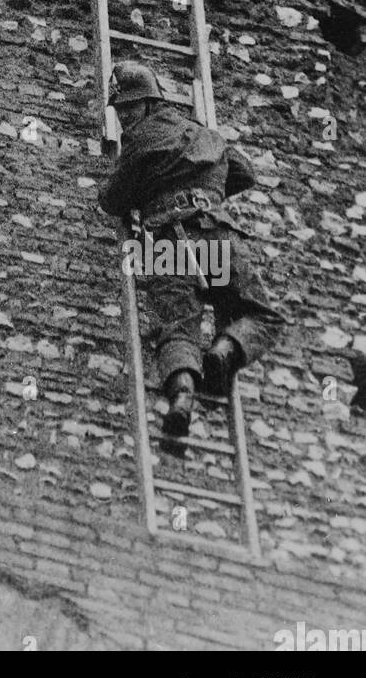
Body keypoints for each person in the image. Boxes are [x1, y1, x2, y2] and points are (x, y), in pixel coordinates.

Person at [97, 61, 284, 439]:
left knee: (176, 329)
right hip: (219, 237)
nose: (126, 120)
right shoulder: (207, 136)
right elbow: (245, 173)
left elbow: (112, 201)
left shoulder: (141, 144)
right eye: (121, 112)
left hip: (171, 245)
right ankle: (225, 350)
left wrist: (151, 192)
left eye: (131, 109)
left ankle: (183, 397)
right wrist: (207, 192)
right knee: (263, 316)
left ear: (150, 104)